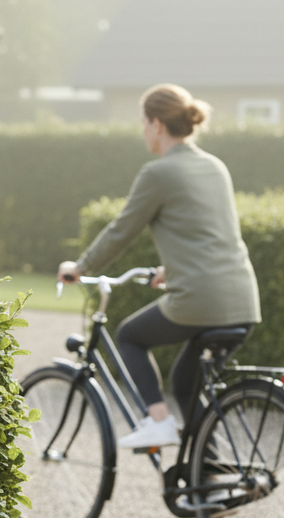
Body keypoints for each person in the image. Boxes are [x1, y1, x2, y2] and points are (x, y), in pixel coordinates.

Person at [58, 83, 261, 448]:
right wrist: (175, 268)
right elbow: (210, 233)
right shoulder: (215, 167)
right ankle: (208, 477)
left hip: (201, 299)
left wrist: (81, 266)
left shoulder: (158, 173)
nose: (142, 130)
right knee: (186, 383)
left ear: (156, 124)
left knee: (129, 336)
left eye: (142, 122)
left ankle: (159, 422)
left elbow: (121, 231)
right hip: (243, 300)